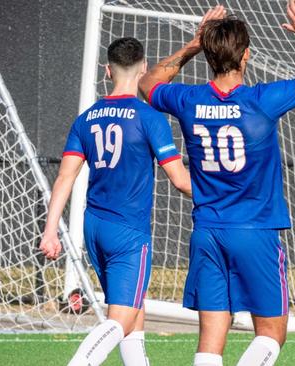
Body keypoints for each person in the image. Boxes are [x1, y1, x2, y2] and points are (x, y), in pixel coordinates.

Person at [138, 1, 295, 365]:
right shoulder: (263, 100)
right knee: (271, 335)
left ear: (208, 53)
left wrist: (192, 44)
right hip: (255, 231)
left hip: (207, 231)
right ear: (246, 55)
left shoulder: (188, 100)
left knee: (210, 341)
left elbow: (148, 83)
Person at [39, 37, 191, 366]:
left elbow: (65, 177)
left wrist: (50, 230)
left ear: (108, 71)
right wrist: (225, 192)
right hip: (128, 234)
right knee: (120, 321)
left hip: (95, 229)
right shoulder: (149, 118)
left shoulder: (87, 118)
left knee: (133, 318)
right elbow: (180, 180)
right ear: (144, 68)